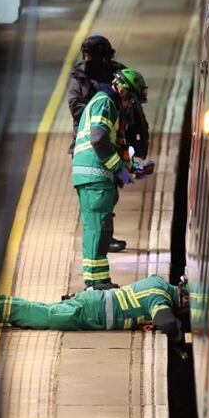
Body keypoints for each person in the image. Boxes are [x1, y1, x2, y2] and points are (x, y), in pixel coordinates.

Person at [66, 34, 151, 253]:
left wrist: (132, 163)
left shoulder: (119, 75)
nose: (86, 59)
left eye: (90, 55)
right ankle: (104, 239)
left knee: (109, 194)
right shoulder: (91, 88)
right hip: (94, 147)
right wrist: (101, 113)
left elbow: (134, 112)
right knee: (102, 197)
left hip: (112, 140)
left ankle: (104, 238)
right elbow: (83, 116)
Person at [72, 67, 150, 290]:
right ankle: (95, 283)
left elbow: (113, 145)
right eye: (132, 100)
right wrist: (118, 168)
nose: (132, 105)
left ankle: (99, 280)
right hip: (93, 175)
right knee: (98, 228)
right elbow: (98, 139)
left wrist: (133, 168)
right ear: (124, 91)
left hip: (95, 175)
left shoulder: (108, 104)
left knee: (101, 229)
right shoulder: (105, 103)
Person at [0, 274, 187, 343]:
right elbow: (166, 322)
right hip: (90, 312)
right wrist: (178, 335)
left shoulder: (158, 282)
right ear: (184, 301)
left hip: (92, 302)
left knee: (41, 309)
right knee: (43, 316)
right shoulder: (160, 297)